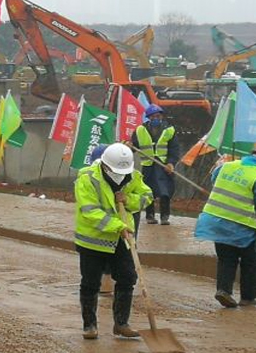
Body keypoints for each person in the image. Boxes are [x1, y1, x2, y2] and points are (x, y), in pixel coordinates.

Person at [74, 143, 153, 340]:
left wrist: (128, 200)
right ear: (105, 166)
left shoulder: (132, 176)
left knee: (128, 278)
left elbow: (147, 197)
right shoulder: (87, 179)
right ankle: (89, 325)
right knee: (91, 282)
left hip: (121, 240)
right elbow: (90, 211)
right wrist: (118, 226)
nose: (120, 175)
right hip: (93, 241)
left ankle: (121, 323)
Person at [194, 144, 256, 308]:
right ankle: (248, 297)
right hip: (242, 225)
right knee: (250, 261)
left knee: (226, 258)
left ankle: (224, 290)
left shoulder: (226, 166)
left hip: (215, 221)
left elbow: (215, 181)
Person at [130, 104, 180, 225]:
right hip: (148, 166)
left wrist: (171, 163)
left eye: (158, 116)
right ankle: (150, 215)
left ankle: (164, 216)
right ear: (148, 118)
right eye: (153, 117)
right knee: (148, 191)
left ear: (161, 116)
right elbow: (133, 146)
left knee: (165, 192)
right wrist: (127, 145)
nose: (156, 118)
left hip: (163, 166)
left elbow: (174, 149)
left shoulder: (169, 130)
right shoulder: (140, 130)